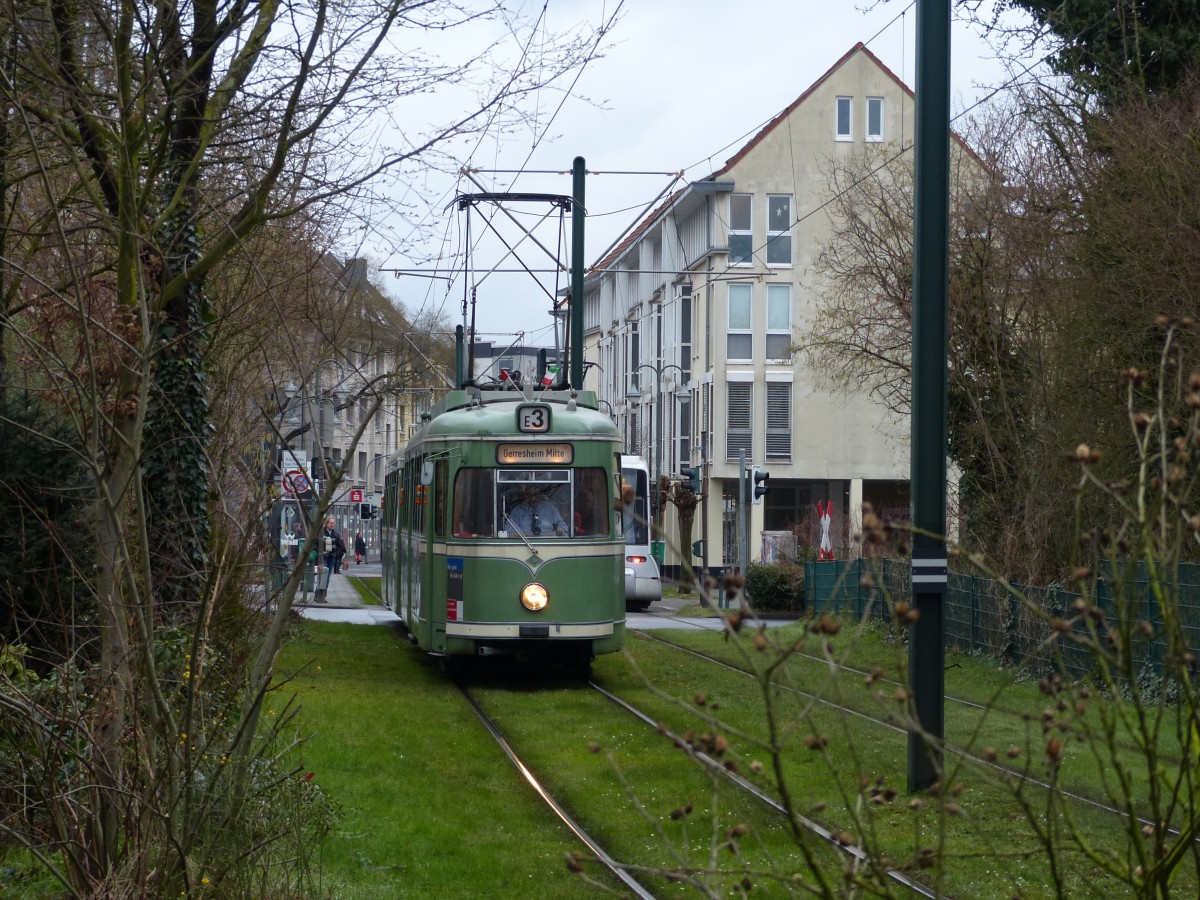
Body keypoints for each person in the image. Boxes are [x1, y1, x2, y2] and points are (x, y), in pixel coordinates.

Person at [319, 517, 345, 586]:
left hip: (332, 557)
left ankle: (324, 592)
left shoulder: (336, 534)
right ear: (326, 524)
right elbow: (317, 543)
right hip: (324, 557)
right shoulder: (321, 533)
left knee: (327, 577)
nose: (332, 525)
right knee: (323, 576)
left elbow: (340, 545)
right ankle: (318, 591)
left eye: (333, 523)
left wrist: (336, 554)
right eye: (331, 523)